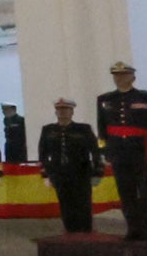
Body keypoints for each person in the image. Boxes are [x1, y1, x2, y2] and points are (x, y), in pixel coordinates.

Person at [97, 62, 147, 241]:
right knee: (125, 191)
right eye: (116, 75)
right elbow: (102, 128)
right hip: (118, 151)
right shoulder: (104, 99)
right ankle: (132, 228)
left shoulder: (146, 97)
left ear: (133, 77)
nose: (119, 78)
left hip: (142, 150)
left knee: (146, 190)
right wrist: (103, 151)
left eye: (124, 75)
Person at [37, 98, 101, 234]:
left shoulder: (83, 129)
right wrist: (45, 174)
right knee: (65, 204)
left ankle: (85, 233)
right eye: (59, 110)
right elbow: (42, 154)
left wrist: (98, 172)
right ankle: (70, 233)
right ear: (55, 112)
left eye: (66, 110)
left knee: (83, 204)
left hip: (81, 172)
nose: (62, 113)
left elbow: (95, 151)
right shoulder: (48, 130)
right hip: (59, 173)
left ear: (72, 112)